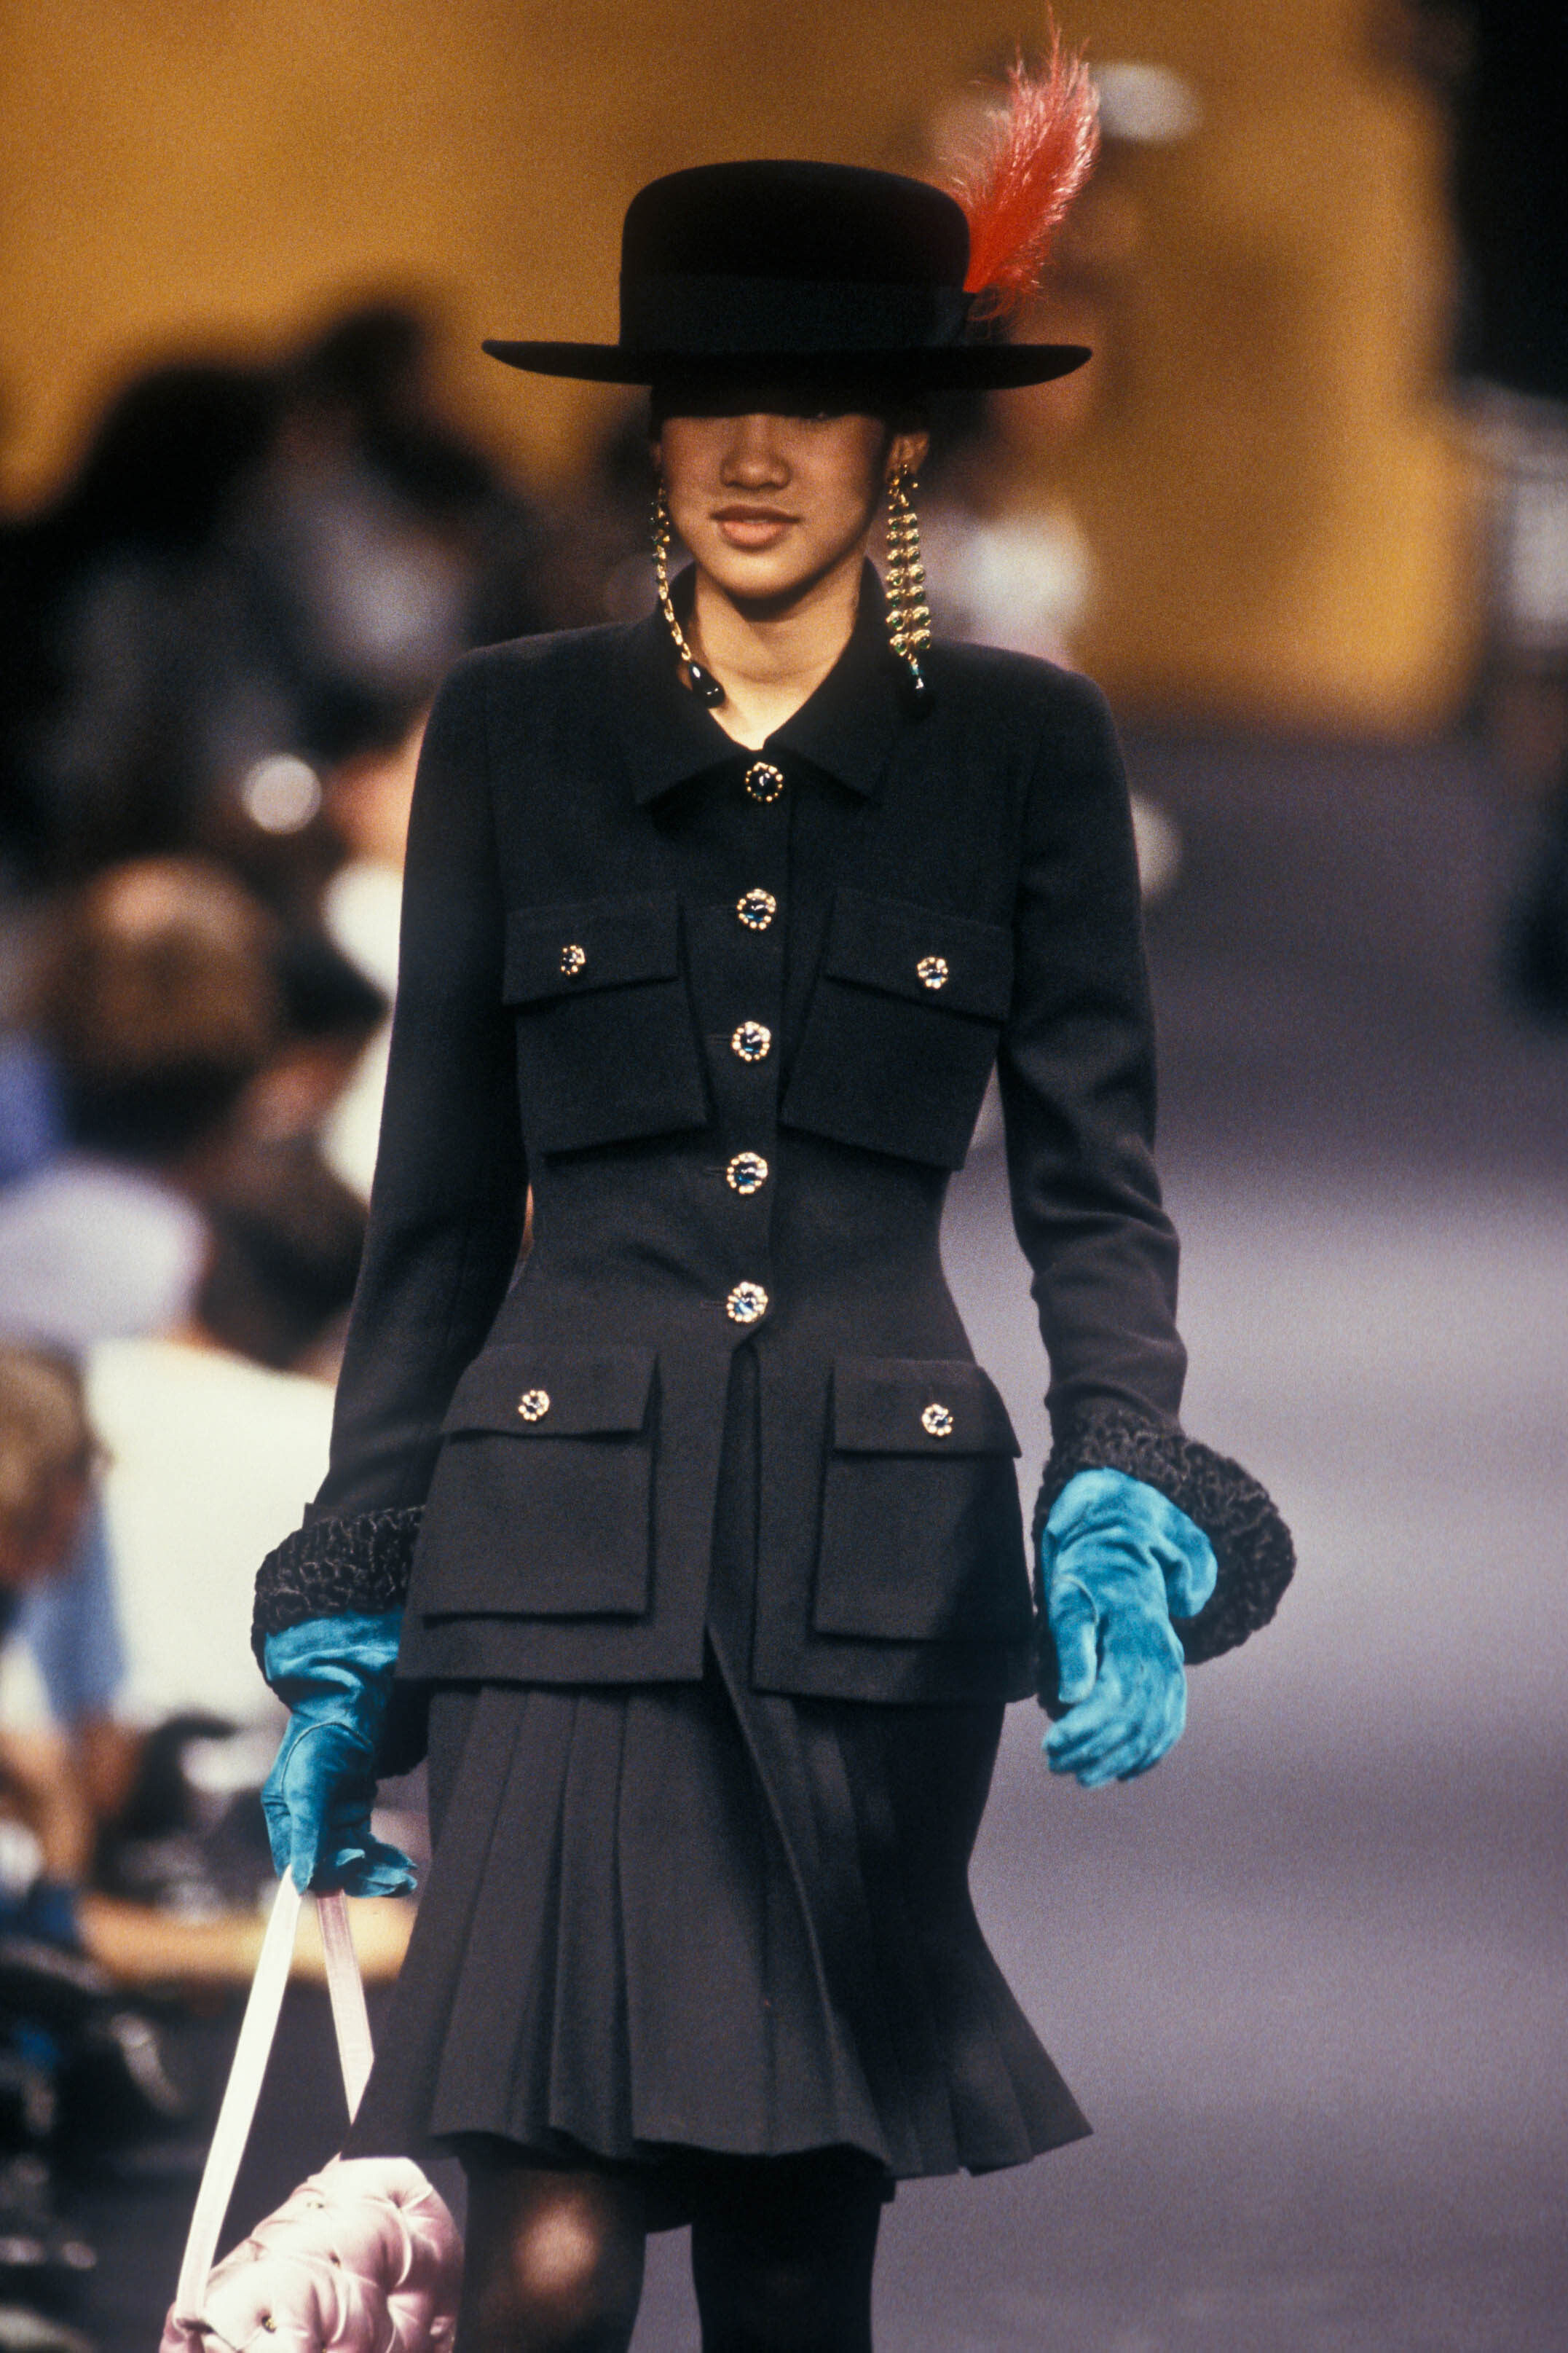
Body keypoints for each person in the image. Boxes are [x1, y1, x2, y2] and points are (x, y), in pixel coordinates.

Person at [254, 58, 1293, 2353]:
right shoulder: (515, 730)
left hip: (869, 1575)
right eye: (707, 400)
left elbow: (1096, 1192)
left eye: (808, 404)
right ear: (649, 433)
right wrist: (349, 1599)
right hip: (546, 1565)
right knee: (543, 2254)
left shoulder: (1018, 749)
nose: (750, 452)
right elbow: (438, 1215)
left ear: (898, 440)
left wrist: (1118, 1479)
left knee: (797, 2252)